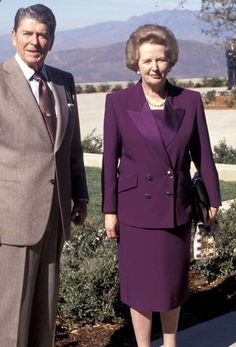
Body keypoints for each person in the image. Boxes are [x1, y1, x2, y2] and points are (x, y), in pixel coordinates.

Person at [102, 24, 221, 347]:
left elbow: (204, 156)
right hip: (135, 210)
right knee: (139, 287)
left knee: (172, 284)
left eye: (160, 60)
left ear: (171, 60)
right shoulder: (117, 102)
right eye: (146, 61)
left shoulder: (191, 101)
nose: (154, 67)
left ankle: (170, 344)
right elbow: (109, 160)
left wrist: (213, 197)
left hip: (175, 208)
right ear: (135, 64)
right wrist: (109, 210)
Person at [0, 4, 88, 346]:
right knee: (10, 320)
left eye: (42, 34)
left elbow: (72, 147)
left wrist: (79, 195)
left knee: (44, 316)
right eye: (28, 33)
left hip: (55, 215)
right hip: (11, 219)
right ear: (13, 36)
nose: (35, 41)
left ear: (51, 39)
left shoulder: (63, 82)